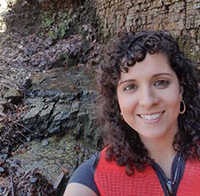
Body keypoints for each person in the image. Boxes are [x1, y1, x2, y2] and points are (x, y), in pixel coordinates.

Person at [64, 30, 200, 196]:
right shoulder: (93, 179)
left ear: (181, 90)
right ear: (117, 102)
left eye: (161, 82)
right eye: (130, 87)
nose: (148, 101)